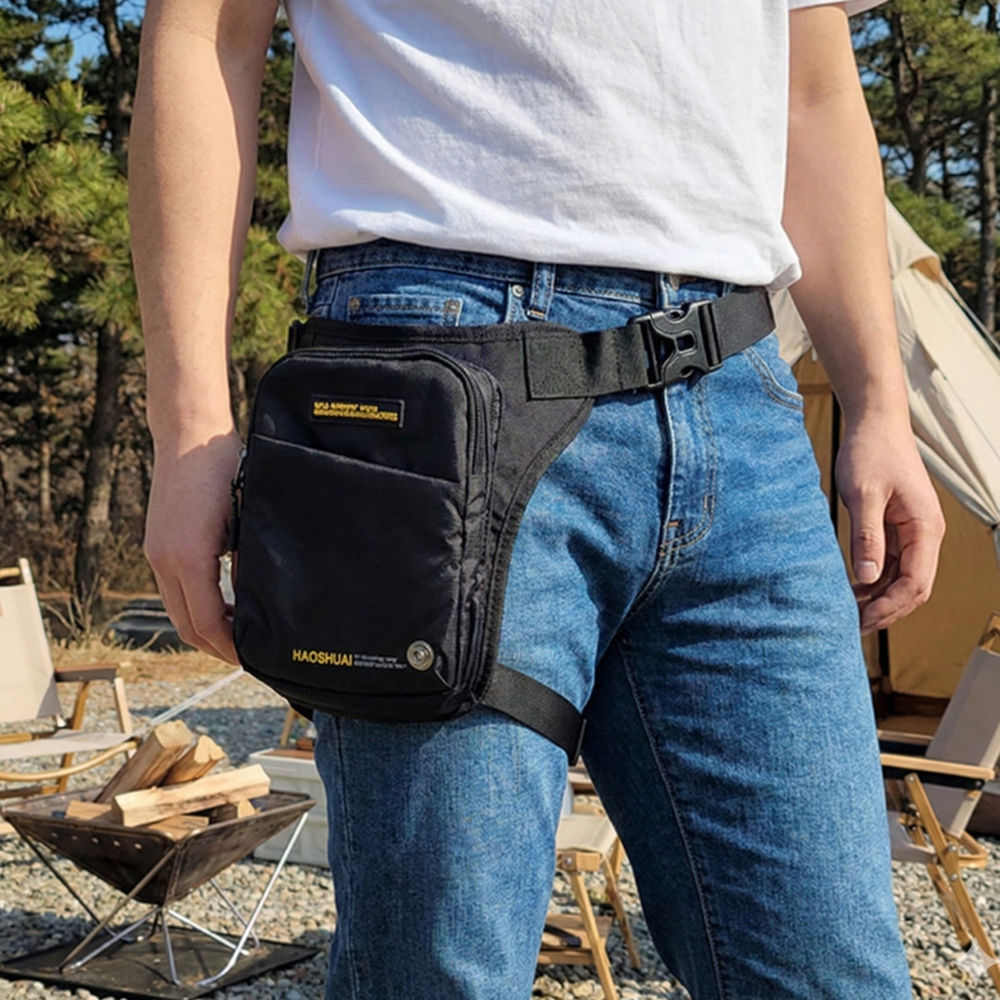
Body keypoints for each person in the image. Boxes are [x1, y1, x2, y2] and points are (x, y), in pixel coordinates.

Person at [130, 1, 946, 997]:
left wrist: (879, 404)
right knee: (440, 975)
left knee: (832, 973)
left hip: (737, 383)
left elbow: (811, 86)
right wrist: (189, 431)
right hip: (439, 376)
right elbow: (205, 31)